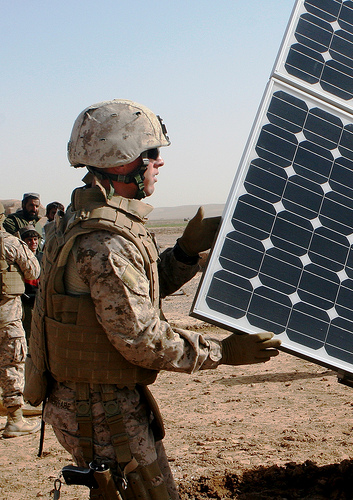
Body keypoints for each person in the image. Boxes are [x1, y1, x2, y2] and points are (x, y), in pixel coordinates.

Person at [25, 99, 280, 499]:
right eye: (152, 154)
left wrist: (182, 255)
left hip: (94, 400)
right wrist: (223, 351)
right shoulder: (106, 242)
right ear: (126, 162)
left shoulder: (77, 221)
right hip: (101, 411)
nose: (159, 163)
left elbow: (131, 295)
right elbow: (142, 338)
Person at [0, 202, 41, 438]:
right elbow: (33, 271)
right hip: (6, 315)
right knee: (12, 363)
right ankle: (15, 419)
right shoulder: (9, 242)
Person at [18, 226, 42, 341]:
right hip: (26, 301)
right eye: (29, 240)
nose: (33, 242)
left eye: (35, 239)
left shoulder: (43, 257)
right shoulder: (20, 258)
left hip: (40, 300)